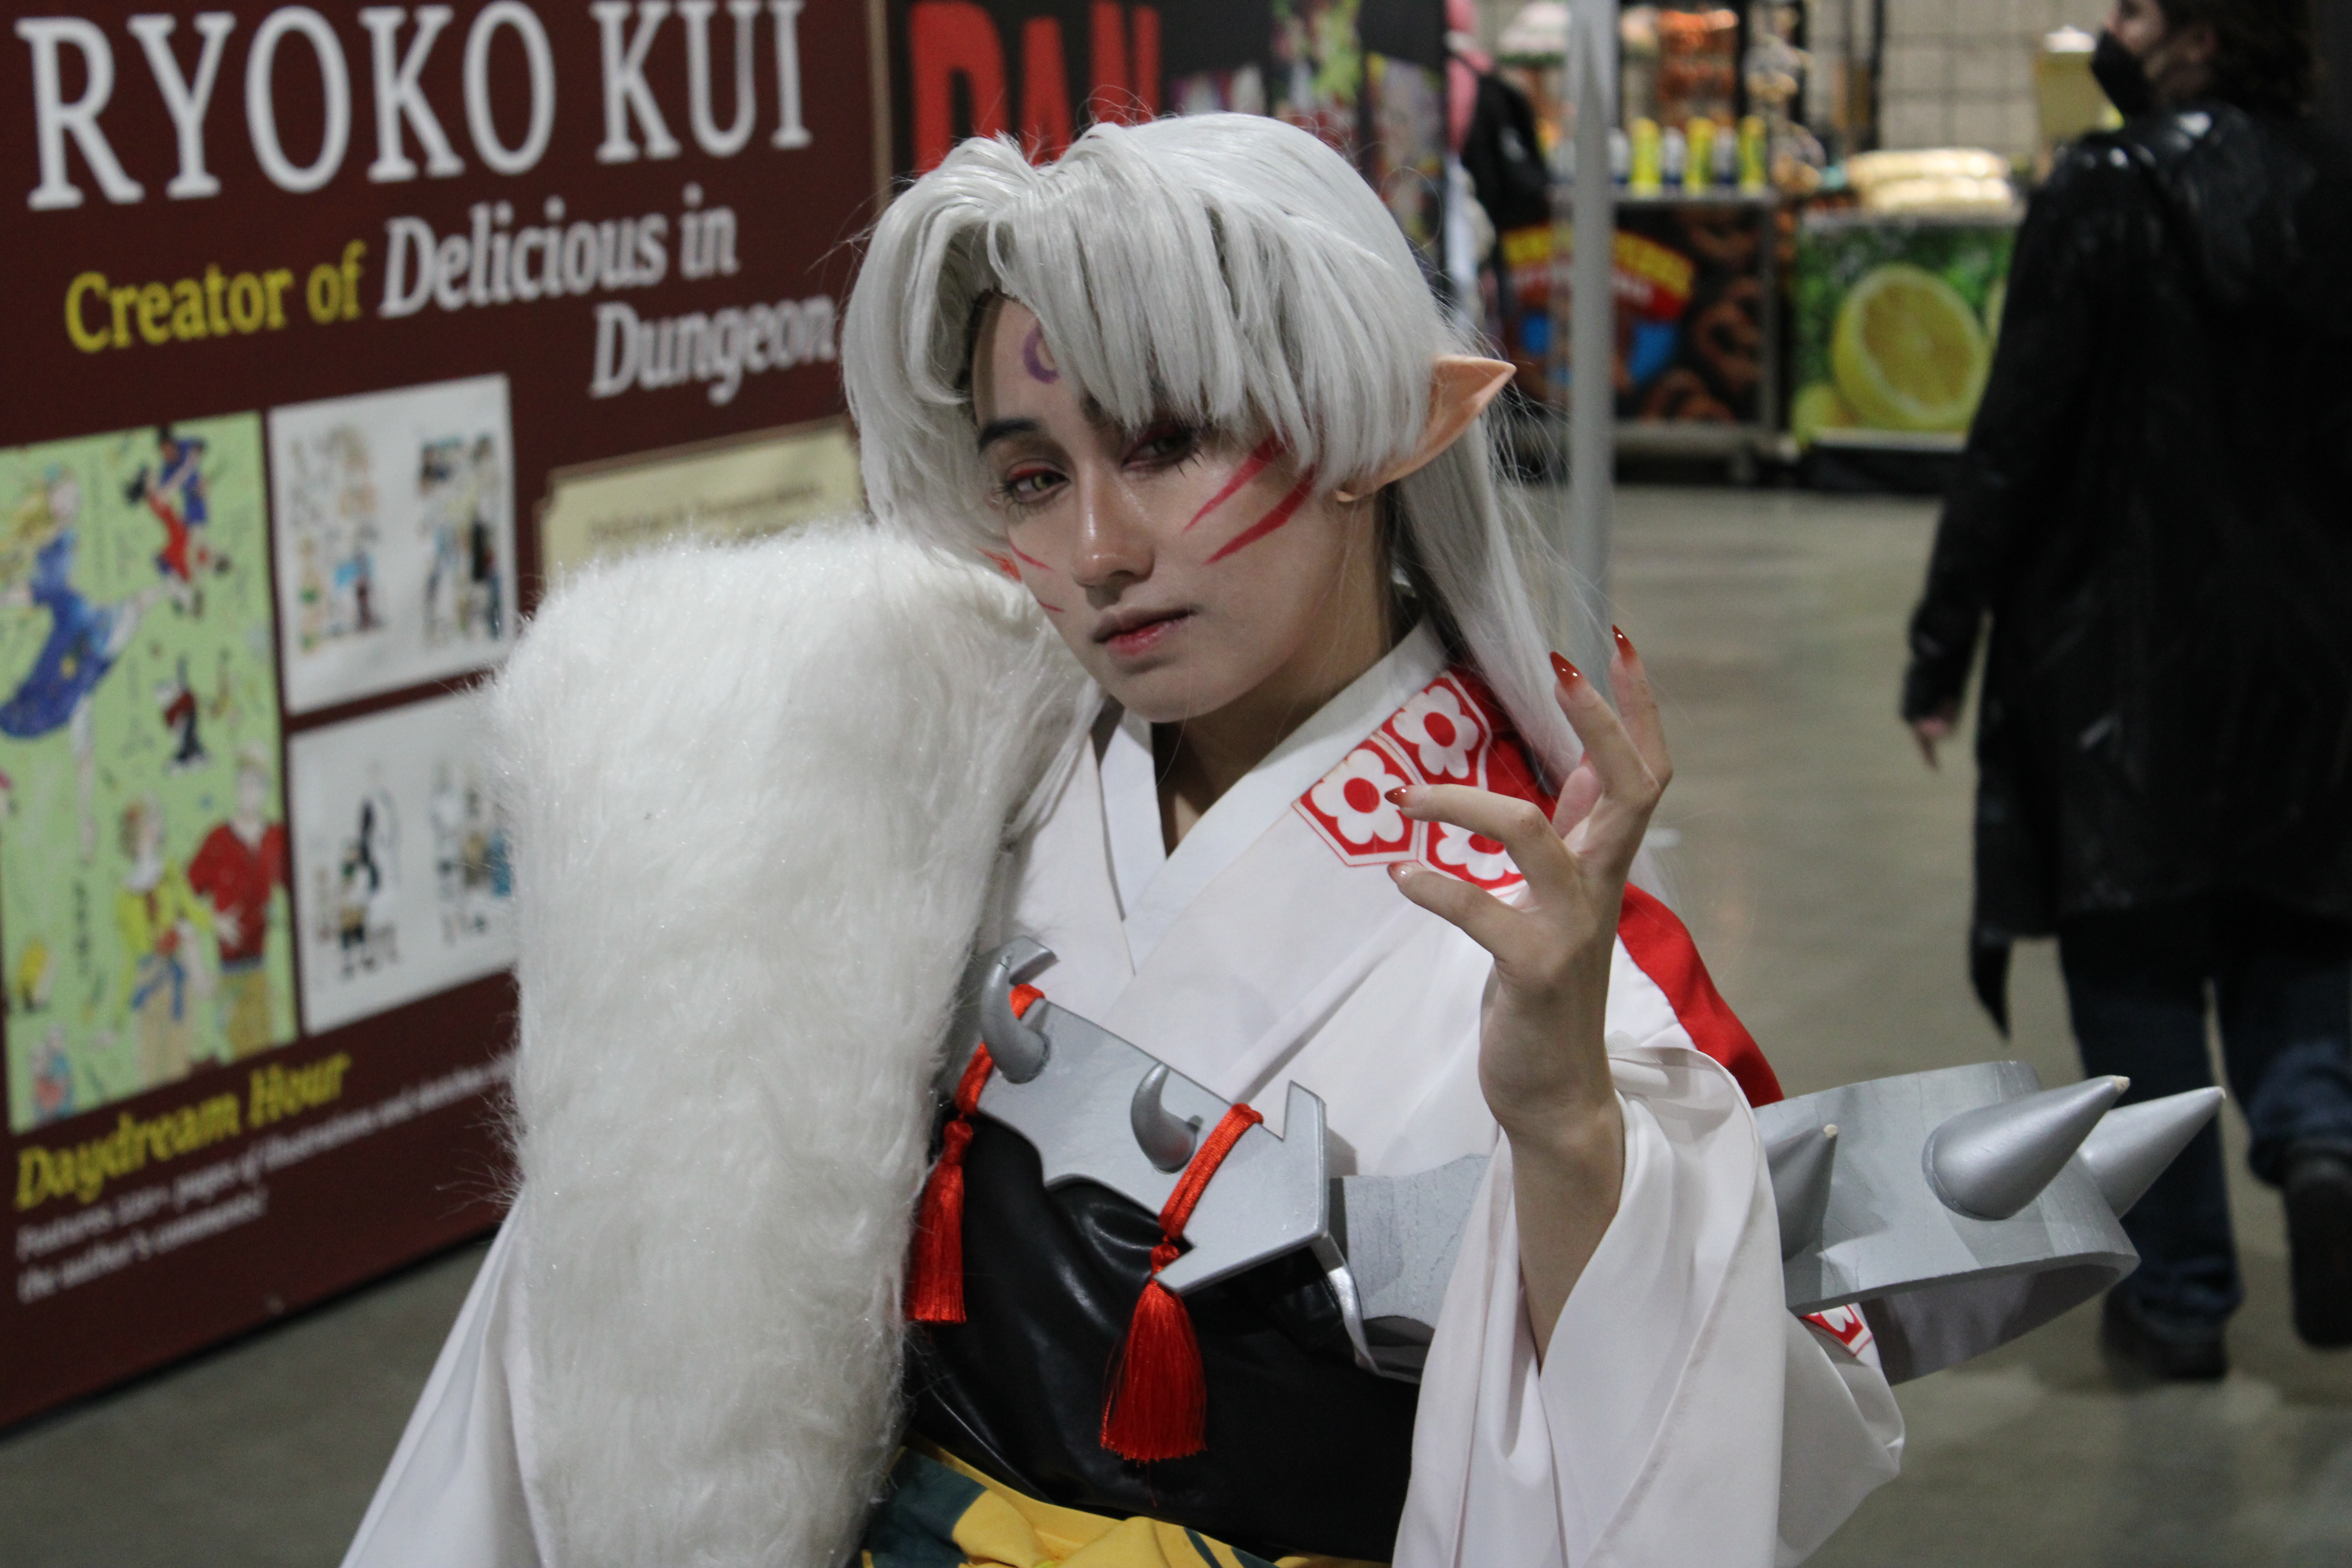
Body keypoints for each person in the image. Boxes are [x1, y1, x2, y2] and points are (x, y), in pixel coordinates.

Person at [345, 115, 1899, 1568]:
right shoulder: (939, 789)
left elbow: (1721, 1458)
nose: (1098, 552)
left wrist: (1568, 1120)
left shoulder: (1559, 949)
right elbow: (615, 1305)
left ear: (1382, 424)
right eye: (1035, 476)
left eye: (1167, 444)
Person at [1902, 0, 2352, 1380]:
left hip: (2115, 659)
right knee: (2297, 918)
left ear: (2207, 35)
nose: (2114, 24)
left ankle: (2182, 1300)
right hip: (2317, 651)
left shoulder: (2104, 190)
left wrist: (1945, 639)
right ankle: (2322, 1133)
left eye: (2145, 6)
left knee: (2138, 959)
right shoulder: (2341, 186)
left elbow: (2020, 429)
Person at [187, 747, 289, 1057]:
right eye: (245, 783)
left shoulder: (276, 837)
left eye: (258, 784)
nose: (250, 792)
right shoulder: (218, 840)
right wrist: (198, 968)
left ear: (267, 789)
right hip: (228, 976)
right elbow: (182, 905)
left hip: (261, 973)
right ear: (236, 787)